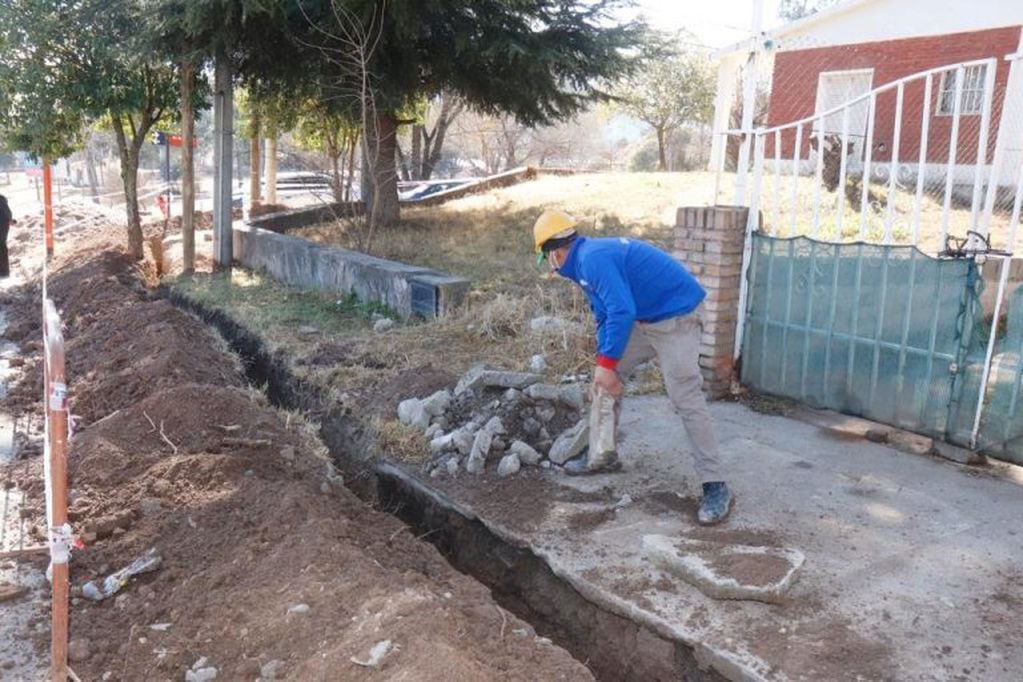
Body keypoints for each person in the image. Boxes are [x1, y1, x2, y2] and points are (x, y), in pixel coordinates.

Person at [532, 209, 733, 525]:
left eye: (549, 261)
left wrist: (607, 364)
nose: (552, 268)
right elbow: (604, 315)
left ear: (555, 252)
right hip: (645, 319)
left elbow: (621, 310)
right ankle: (602, 454)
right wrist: (605, 364)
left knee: (685, 397)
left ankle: (715, 484)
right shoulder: (584, 263)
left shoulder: (592, 259)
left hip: (677, 318)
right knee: (603, 379)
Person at [0, 194, 15, 278]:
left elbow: (8, 213)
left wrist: (10, 220)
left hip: (2, 227)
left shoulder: (1, 199)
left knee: (2, 247)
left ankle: (4, 272)